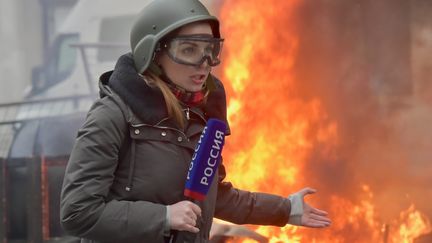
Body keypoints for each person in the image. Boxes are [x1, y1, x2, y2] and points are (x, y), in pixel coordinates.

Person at [59, 0, 332, 242]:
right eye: (188, 50)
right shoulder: (112, 116)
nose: (204, 63)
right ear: (153, 53)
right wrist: (163, 217)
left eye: (210, 50)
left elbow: (213, 196)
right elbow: (77, 212)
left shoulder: (201, 118)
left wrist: (286, 209)